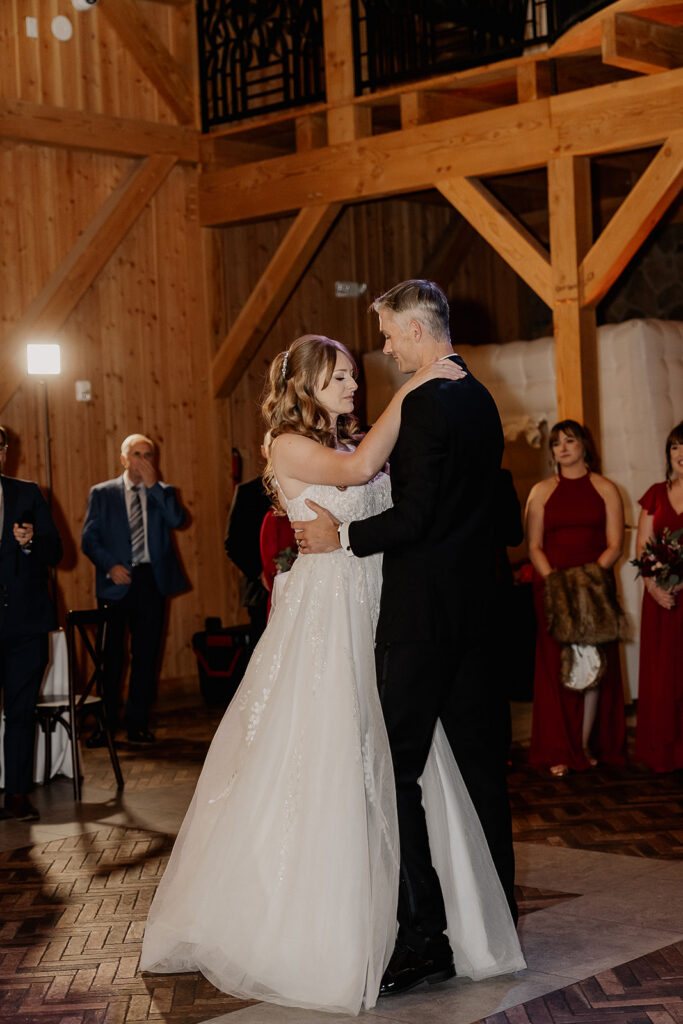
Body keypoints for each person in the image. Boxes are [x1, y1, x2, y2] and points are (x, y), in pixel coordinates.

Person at [140, 334, 524, 1014]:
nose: (353, 384)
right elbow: (354, 478)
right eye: (339, 377)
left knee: (395, 760)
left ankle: (419, 926)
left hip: (380, 606)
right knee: (335, 758)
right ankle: (331, 930)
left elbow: (386, 496)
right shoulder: (286, 444)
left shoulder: (353, 444)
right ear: (304, 387)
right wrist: (414, 385)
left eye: (354, 375)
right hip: (328, 618)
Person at [293, 280, 519, 997]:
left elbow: (416, 516)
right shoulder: (478, 399)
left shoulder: (424, 402)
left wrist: (344, 536)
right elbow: (492, 517)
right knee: (482, 775)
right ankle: (494, 924)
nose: (384, 349)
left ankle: (425, 939)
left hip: (422, 619)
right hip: (480, 617)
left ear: (418, 333)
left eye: (390, 336)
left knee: (392, 770)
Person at [526, 420, 627, 777]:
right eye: (556, 443)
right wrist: (556, 582)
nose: (563, 448)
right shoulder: (540, 491)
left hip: (594, 588)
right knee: (557, 668)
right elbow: (534, 545)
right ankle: (558, 748)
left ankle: (582, 745)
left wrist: (587, 579)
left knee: (593, 666)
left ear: (584, 444)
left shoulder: (606, 488)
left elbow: (615, 544)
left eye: (570, 441)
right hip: (553, 590)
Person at [81, 434, 186, 745]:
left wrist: (155, 488)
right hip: (115, 581)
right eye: (136, 453)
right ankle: (105, 725)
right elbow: (90, 540)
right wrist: (110, 565)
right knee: (109, 658)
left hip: (151, 583)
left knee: (145, 656)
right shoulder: (102, 494)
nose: (142, 459)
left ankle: (137, 723)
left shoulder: (163, 492)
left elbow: (178, 520)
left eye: (148, 454)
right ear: (124, 459)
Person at [0, 425, 62, 821]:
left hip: (25, 626)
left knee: (21, 712)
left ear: (4, 452)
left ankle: (18, 795)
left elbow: (58, 552)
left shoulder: (27, 492)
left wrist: (31, 541)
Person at [634, 420, 683, 773]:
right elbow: (643, 549)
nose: (681, 454)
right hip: (660, 602)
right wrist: (655, 589)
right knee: (663, 675)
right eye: (675, 447)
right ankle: (662, 752)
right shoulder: (654, 493)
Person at [224, 474, 271, 640]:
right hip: (261, 593)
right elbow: (233, 545)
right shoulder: (247, 491)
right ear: (264, 451)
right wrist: (261, 574)